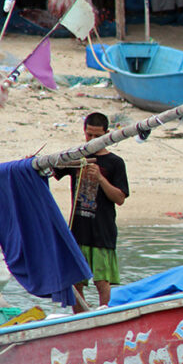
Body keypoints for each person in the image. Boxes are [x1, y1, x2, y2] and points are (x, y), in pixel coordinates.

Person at [55, 112, 129, 312]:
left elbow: (120, 198)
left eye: (98, 137)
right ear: (84, 133)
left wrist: (101, 180)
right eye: (89, 135)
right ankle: (80, 319)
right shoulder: (76, 157)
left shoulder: (115, 163)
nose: (92, 140)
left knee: (102, 283)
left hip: (102, 232)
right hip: (78, 230)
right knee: (76, 283)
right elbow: (52, 170)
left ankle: (103, 317)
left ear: (107, 134)